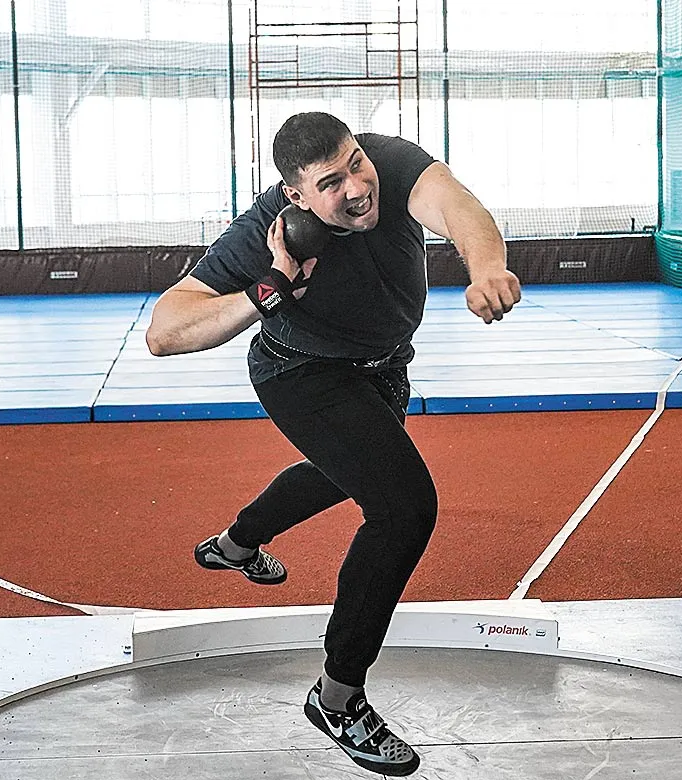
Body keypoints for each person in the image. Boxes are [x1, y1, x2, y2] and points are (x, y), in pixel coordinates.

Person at [145, 112, 520, 776]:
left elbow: (458, 208)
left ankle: (236, 543)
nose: (356, 186)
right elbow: (165, 330)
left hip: (383, 368)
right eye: (330, 182)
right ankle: (338, 694)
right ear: (294, 195)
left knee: (340, 472)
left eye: (355, 164)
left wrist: (486, 267)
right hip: (300, 373)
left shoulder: (391, 163)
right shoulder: (266, 231)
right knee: (402, 507)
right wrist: (267, 291)